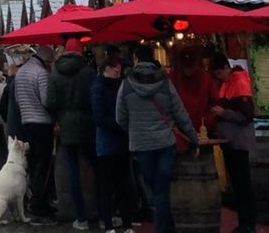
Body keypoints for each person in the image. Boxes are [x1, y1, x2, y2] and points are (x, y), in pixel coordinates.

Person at [116, 46, 198, 233]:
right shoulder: (164, 82)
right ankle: (166, 229)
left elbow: (120, 117)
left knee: (155, 188)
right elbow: (180, 113)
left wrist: (135, 130)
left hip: (141, 144)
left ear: (136, 58)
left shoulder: (126, 84)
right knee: (161, 189)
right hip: (164, 143)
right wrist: (193, 138)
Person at [47, 37, 97, 231]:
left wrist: (58, 118)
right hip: (88, 126)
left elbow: (50, 102)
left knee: (73, 172)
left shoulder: (55, 74)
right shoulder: (88, 73)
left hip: (66, 128)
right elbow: (95, 99)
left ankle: (81, 217)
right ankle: (102, 214)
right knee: (96, 169)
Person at [210, 54, 257, 233]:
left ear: (226, 68)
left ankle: (249, 223)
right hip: (229, 142)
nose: (218, 76)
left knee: (243, 183)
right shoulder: (225, 84)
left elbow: (246, 115)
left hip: (239, 142)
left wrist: (223, 113)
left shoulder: (238, 82)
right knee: (237, 184)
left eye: (219, 72)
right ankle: (244, 222)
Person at [90, 53, 133, 233]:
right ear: (106, 68)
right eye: (116, 69)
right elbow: (98, 117)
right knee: (107, 186)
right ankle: (108, 224)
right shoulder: (98, 87)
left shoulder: (121, 85)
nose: (118, 71)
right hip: (107, 144)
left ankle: (127, 224)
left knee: (124, 185)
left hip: (122, 143)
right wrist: (121, 126)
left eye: (120, 69)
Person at [14, 45, 55, 224]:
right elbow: (47, 100)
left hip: (26, 123)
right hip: (42, 124)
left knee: (33, 164)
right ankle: (38, 204)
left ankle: (36, 199)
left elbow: (16, 99)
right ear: (46, 61)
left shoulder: (21, 72)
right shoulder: (41, 73)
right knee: (42, 166)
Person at [170, 46, 216, 136]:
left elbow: (216, 103)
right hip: (180, 132)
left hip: (202, 129)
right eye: (186, 66)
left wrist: (208, 122)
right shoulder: (173, 79)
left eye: (191, 66)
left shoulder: (205, 79)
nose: (189, 70)